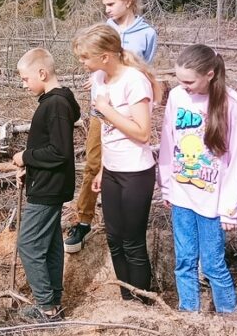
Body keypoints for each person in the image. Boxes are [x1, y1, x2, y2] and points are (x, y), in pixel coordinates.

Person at [65, 0, 158, 253]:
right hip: (102, 109)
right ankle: (83, 220)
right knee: (94, 162)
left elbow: (143, 69)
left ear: (128, 1)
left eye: (111, 4)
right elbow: (98, 60)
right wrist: (96, 75)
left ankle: (125, 224)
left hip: (127, 110)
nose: (107, 9)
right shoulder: (106, 28)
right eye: (104, 4)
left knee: (125, 166)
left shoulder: (147, 34)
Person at [72, 23, 162, 301]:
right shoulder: (100, 78)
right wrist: (102, 169)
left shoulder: (134, 81)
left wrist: (106, 109)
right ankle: (126, 298)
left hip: (135, 172)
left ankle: (144, 300)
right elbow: (106, 134)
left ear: (105, 56)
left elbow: (143, 133)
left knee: (132, 241)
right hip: (111, 171)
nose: (82, 62)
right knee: (114, 238)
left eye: (85, 57)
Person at [157, 44, 237, 313]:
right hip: (182, 193)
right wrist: (166, 185)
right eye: (179, 80)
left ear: (209, 74)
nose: (183, 86)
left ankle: (229, 315)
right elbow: (168, 142)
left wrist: (230, 208)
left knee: (212, 264)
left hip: (213, 199)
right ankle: (189, 314)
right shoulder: (177, 96)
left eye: (189, 81)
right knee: (184, 260)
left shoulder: (231, 103)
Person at [12, 48, 81, 322]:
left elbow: (59, 151)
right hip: (46, 181)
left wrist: (25, 157)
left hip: (48, 187)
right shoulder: (55, 102)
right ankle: (54, 303)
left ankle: (46, 308)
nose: (24, 84)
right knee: (50, 245)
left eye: (25, 78)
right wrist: (30, 168)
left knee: (28, 244)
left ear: (42, 73)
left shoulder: (55, 105)